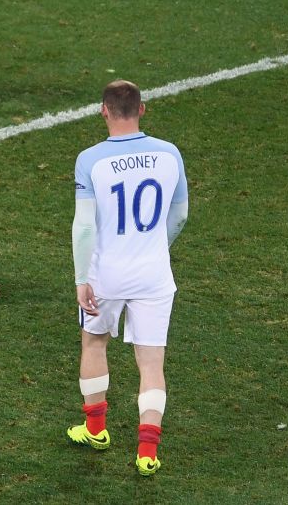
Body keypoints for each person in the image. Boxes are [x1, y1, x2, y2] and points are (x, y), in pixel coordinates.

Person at [67, 80, 189, 476]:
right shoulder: (170, 154)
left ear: (104, 110)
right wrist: (156, 246)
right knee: (152, 363)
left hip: (107, 274)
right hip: (155, 274)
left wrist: (81, 277)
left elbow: (84, 226)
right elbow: (181, 215)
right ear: (143, 109)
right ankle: (147, 453)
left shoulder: (90, 160)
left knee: (94, 342)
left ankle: (96, 430)